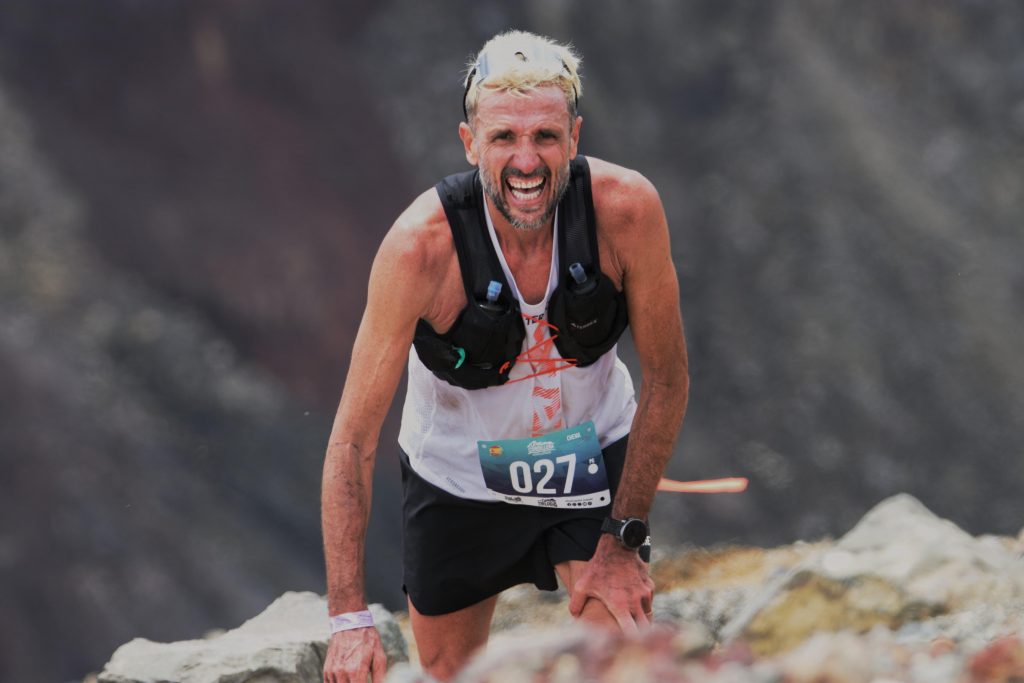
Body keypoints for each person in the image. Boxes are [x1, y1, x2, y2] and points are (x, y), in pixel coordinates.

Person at [321, 30, 688, 683]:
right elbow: (352, 439)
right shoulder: (419, 249)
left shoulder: (626, 211)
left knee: (618, 661)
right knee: (450, 673)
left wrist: (623, 535)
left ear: (575, 137)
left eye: (545, 136)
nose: (527, 160)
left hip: (586, 455)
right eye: (503, 138)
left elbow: (667, 379)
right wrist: (348, 618)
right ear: (470, 143)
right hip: (458, 475)